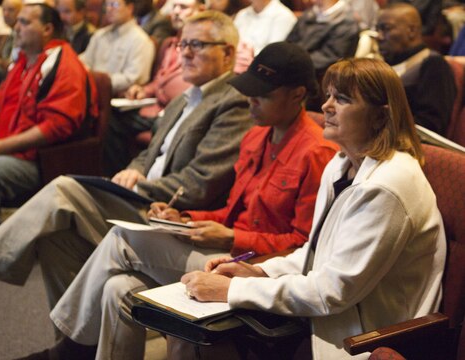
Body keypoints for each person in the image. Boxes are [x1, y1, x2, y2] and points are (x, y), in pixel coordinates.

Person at [23, 41, 338, 360]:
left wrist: (231, 236)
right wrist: (184, 216)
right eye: (249, 89)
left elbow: (303, 246)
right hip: (225, 252)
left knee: (123, 238)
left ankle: (68, 351)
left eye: (263, 94)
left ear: (297, 95)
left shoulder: (316, 153)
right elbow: (231, 212)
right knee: (116, 289)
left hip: (256, 269)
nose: (250, 100)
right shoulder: (256, 135)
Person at [0, 10, 252, 313]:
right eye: (182, 44)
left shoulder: (233, 101)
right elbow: (149, 155)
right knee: (55, 236)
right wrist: (133, 170)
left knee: (63, 189)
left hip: (171, 214)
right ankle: (70, 346)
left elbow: (200, 183)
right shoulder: (183, 98)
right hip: (144, 198)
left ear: (227, 52)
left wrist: (141, 186)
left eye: (197, 45)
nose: (185, 54)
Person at [179, 57, 446, 359]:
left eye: (342, 99)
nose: (327, 106)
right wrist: (256, 271)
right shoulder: (341, 164)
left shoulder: (387, 185)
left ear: (380, 116)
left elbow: (332, 292)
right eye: (329, 95)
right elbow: (316, 254)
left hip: (366, 336)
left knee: (205, 334)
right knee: (192, 327)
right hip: (331, 315)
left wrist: (231, 291)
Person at [0, 3, 93, 256]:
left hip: (43, 158)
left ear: (47, 28)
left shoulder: (64, 64)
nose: (16, 27)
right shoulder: (20, 61)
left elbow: (56, 127)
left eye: (24, 22)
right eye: (17, 21)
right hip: (8, 149)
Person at [103, 0, 204, 175]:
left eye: (184, 7)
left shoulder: (203, 47)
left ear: (201, 10)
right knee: (111, 117)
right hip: (155, 107)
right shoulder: (170, 44)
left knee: (128, 123)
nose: (177, 12)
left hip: (182, 110)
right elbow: (159, 81)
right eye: (175, 7)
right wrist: (143, 90)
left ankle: (131, 178)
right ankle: (117, 175)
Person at [377, 3, 456, 136]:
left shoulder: (433, 64)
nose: (379, 36)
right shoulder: (385, 64)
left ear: (411, 31)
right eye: (377, 29)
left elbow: (431, 125)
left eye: (386, 29)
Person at [79, 0, 154, 95]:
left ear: (130, 8)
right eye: (107, 5)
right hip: (88, 91)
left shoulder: (141, 40)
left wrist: (98, 81)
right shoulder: (99, 35)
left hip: (115, 99)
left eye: (114, 4)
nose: (109, 9)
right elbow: (85, 61)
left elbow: (133, 78)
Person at [286, 0, 360, 74]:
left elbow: (330, 57)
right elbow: (289, 42)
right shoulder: (310, 13)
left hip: (319, 76)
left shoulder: (346, 21)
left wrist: (292, 63)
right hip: (296, 67)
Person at [0, 0, 22, 69]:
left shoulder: (24, 37)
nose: (5, 14)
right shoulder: (8, 36)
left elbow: (19, 64)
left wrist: (0, 63)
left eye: (11, 10)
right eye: (3, 10)